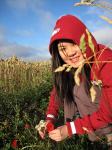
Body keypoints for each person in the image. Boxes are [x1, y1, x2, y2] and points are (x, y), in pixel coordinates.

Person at [38, 14, 112, 144]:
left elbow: (109, 112)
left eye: (73, 43)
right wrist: (49, 119)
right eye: (63, 49)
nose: (70, 53)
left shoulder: (105, 60)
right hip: (86, 133)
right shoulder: (67, 66)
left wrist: (70, 129)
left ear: (84, 39)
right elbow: (57, 93)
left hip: (107, 131)